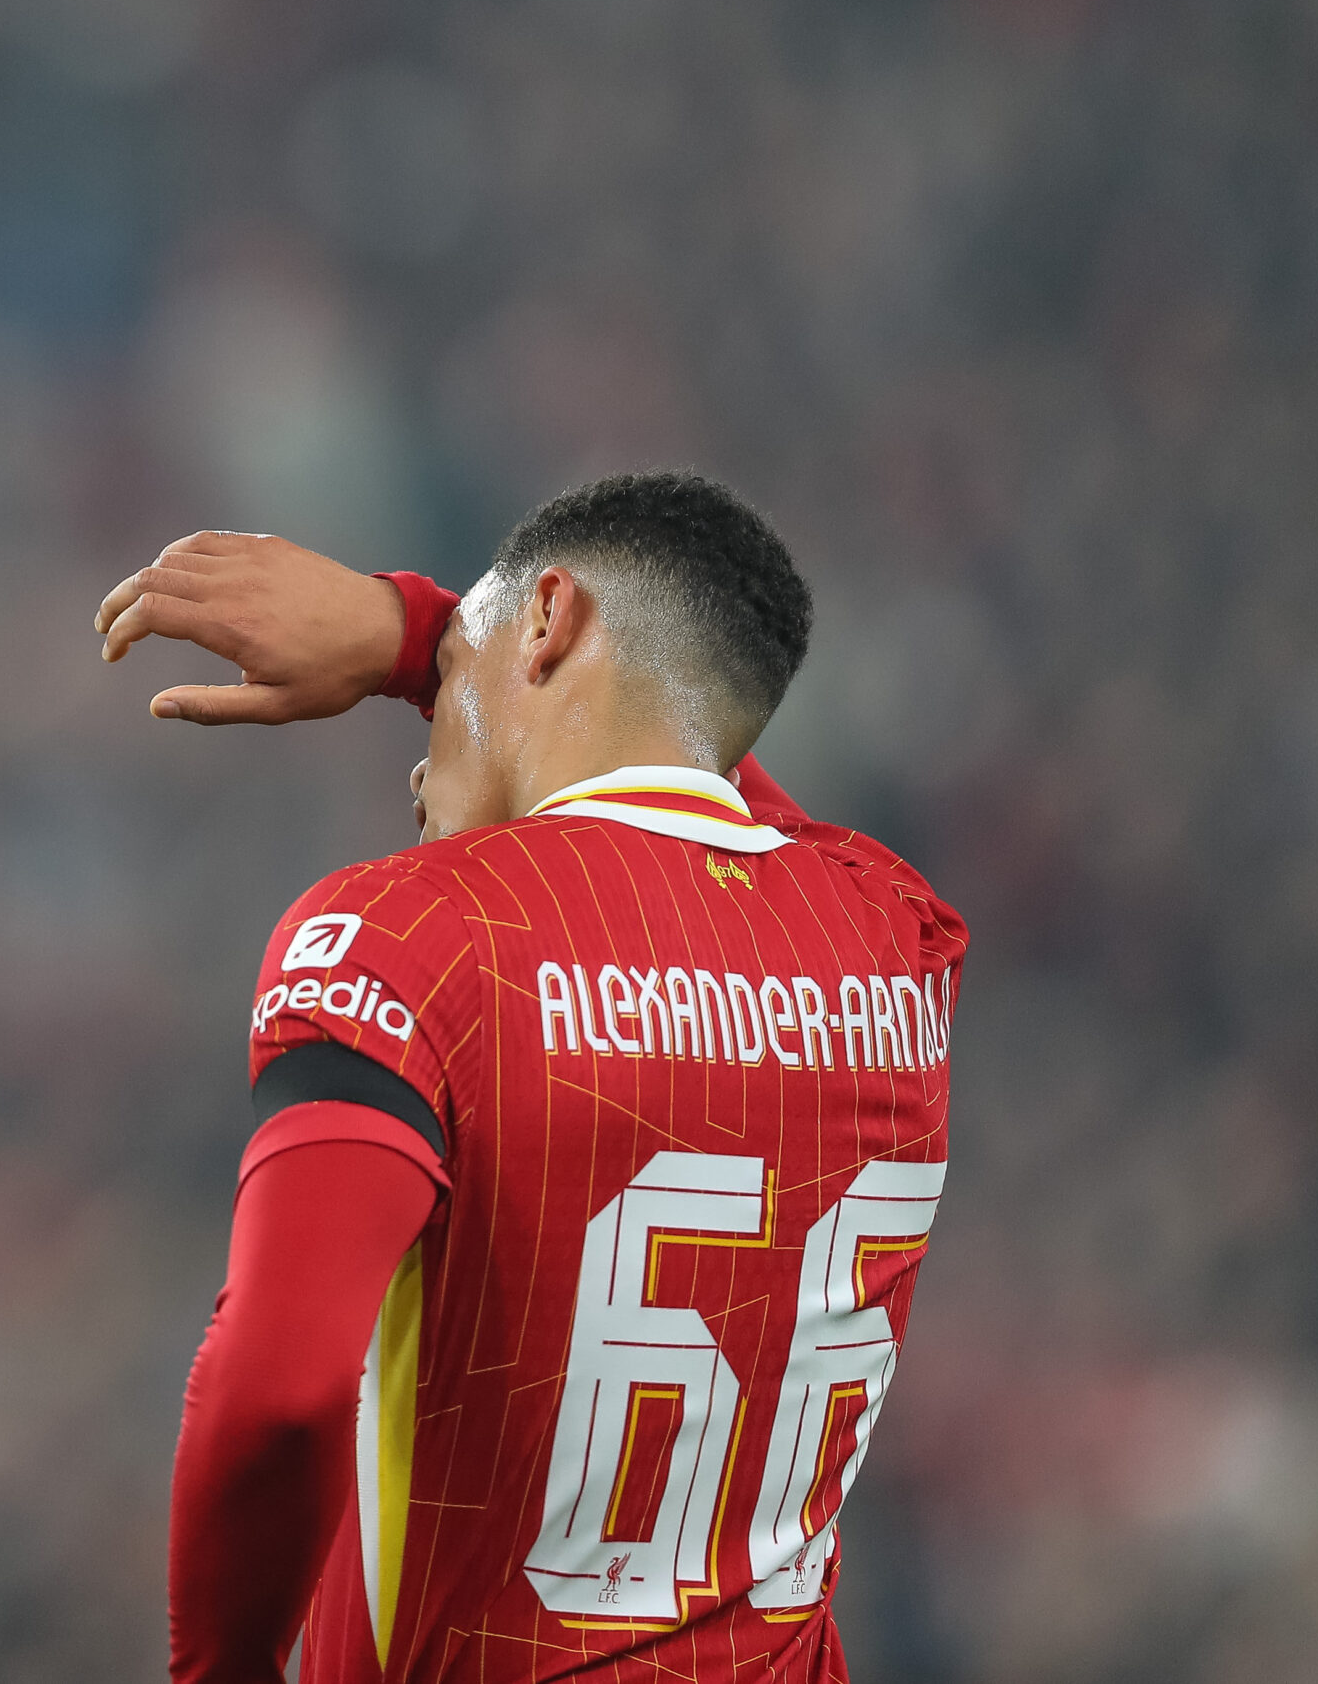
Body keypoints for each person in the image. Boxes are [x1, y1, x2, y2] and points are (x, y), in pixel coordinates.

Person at [96, 473, 966, 1684]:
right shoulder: (894, 940)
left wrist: (219, 1675)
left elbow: (282, 1389)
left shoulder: (407, 934)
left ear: (548, 621)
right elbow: (716, 781)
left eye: (453, 678)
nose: (418, 764)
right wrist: (430, 641)